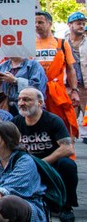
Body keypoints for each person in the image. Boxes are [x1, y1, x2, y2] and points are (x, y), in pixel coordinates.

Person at [12, 88, 78, 222]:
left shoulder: (53, 120)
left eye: (26, 99)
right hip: (27, 166)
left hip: (51, 165)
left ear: (40, 103)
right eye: (19, 99)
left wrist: (42, 163)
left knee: (68, 165)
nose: (21, 103)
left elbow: (67, 148)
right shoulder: (16, 122)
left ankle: (67, 207)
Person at [35, 11, 79, 139]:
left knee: (61, 123)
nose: (37, 25)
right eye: (35, 22)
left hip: (57, 92)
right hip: (37, 90)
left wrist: (74, 90)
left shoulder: (62, 43)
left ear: (49, 24)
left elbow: (71, 69)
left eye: (40, 22)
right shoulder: (29, 44)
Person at [67, 11, 87, 121]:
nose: (82, 26)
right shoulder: (62, 42)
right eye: (79, 23)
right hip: (69, 88)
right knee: (69, 121)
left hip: (85, 88)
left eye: (83, 24)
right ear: (69, 24)